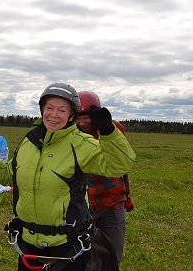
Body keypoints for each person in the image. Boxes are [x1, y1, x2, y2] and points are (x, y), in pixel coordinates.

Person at [0, 83, 136, 271]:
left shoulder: (81, 143)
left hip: (67, 247)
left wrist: (108, 131)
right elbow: (9, 176)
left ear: (71, 115)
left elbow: (118, 165)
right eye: (49, 108)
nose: (54, 115)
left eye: (62, 110)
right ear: (42, 110)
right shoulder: (29, 142)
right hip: (28, 246)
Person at [77, 91, 134, 271]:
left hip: (112, 202)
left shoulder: (112, 129)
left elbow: (121, 167)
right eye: (79, 117)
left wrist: (128, 196)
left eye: (86, 117)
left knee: (113, 253)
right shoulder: (72, 135)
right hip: (84, 206)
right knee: (86, 255)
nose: (82, 122)